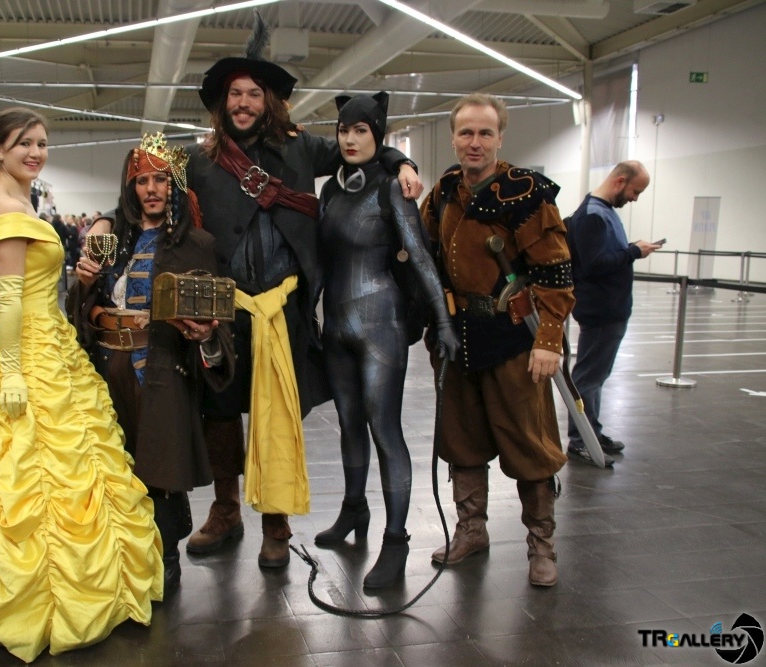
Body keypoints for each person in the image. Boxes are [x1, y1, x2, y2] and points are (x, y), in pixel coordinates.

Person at [0, 108, 161, 663]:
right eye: (24, 143)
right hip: (26, 349)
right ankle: (29, 596)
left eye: (42, 143)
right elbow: (11, 300)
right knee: (23, 469)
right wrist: (14, 372)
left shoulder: (21, 201)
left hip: (49, 341)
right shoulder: (3, 205)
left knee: (58, 464)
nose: (36, 152)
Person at [184, 17, 424, 570]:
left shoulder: (299, 150)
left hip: (284, 308)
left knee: (277, 413)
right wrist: (107, 223)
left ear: (269, 101)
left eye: (253, 94)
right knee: (220, 412)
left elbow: (360, 146)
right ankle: (225, 510)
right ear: (222, 103)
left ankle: (276, 522)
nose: (244, 103)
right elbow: (145, 193)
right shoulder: (198, 160)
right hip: (224, 309)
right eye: (235, 94)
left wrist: (403, 161)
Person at [67, 134, 236, 593]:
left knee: (160, 470)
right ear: (131, 188)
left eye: (161, 179)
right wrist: (84, 284)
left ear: (174, 186)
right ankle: (119, 557)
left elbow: (219, 323)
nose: (152, 189)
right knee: (113, 466)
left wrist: (207, 337)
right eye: (142, 181)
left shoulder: (197, 243)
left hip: (162, 369)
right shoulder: (110, 241)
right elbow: (78, 307)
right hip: (108, 370)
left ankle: (166, 555)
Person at [419, 93, 575, 587]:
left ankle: (541, 546)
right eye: (466, 132)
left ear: (500, 138)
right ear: (453, 138)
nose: (475, 142)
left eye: (485, 133)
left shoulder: (526, 193)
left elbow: (556, 271)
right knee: (461, 440)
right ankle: (472, 531)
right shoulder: (444, 191)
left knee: (530, 444)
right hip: (457, 336)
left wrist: (548, 340)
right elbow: (423, 254)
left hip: (513, 339)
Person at [314, 93, 460, 589]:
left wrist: (443, 322)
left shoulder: (392, 189)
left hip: (382, 326)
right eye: (343, 130)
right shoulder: (330, 192)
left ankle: (396, 541)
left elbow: (420, 257)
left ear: (377, 135)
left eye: (361, 130)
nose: (350, 139)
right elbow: (322, 261)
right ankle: (354, 508)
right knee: (348, 424)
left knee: (384, 429)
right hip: (336, 326)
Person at [566, 161, 661, 464]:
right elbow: (595, 265)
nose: (635, 198)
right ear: (620, 181)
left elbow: (602, 255)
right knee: (588, 377)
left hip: (609, 309)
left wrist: (631, 248)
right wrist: (634, 252)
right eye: (635, 191)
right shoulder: (592, 216)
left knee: (595, 376)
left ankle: (591, 432)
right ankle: (581, 439)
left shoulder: (602, 213)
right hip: (601, 310)